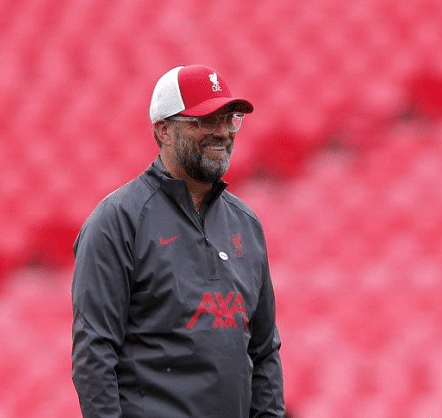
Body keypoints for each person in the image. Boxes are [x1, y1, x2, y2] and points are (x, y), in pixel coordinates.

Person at [71, 64, 285, 418]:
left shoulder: (245, 223)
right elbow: (94, 354)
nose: (222, 132)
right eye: (205, 121)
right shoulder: (117, 220)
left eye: (229, 119)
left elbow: (264, 352)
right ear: (163, 130)